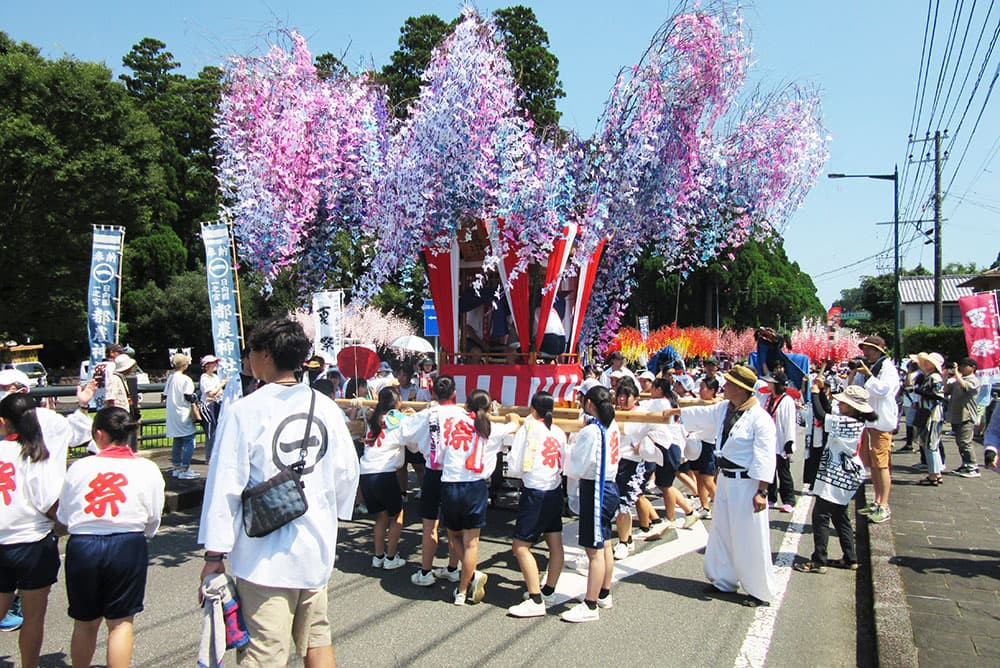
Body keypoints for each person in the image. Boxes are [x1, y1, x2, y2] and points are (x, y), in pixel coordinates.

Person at [198, 317, 359, 667]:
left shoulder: (244, 411)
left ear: (266, 355)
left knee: (263, 653)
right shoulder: (326, 407)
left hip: (264, 559)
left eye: (251, 351)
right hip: (315, 549)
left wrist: (214, 555)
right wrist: (330, 513)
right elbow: (348, 473)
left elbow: (225, 485)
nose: (248, 359)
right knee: (317, 640)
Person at [58, 407, 164, 668]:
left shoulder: (80, 467)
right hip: (127, 543)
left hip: (83, 544)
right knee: (120, 622)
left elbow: (65, 513)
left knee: (84, 621)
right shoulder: (148, 469)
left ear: (99, 434)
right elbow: (153, 517)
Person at [671, 364, 777, 607]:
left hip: (747, 483)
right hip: (727, 479)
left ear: (740, 389)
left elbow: (764, 456)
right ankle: (723, 579)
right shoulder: (724, 409)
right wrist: (673, 411)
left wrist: (762, 491)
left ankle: (758, 589)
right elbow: (699, 415)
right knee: (722, 530)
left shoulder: (760, 420)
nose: (724, 386)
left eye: (729, 383)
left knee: (749, 536)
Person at [0, 393, 65, 668]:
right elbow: (47, 501)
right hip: (34, 542)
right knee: (33, 616)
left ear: (3, 421)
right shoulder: (36, 453)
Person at [794, 386, 872, 574]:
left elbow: (821, 415)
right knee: (839, 516)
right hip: (844, 475)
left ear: (853, 406)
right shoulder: (854, 421)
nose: (840, 403)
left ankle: (819, 560)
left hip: (838, 476)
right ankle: (850, 557)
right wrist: (820, 391)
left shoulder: (848, 422)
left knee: (821, 515)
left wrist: (813, 393)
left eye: (844, 402)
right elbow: (828, 410)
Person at [561, 385, 621, 622]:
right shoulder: (611, 425)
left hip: (595, 488)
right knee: (604, 543)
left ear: (588, 404)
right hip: (609, 485)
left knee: (593, 550)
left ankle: (590, 604)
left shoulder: (591, 430)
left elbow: (575, 465)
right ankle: (603, 592)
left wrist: (565, 447)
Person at [505, 392, 566, 617]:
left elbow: (514, 463)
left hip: (535, 491)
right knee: (554, 541)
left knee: (520, 546)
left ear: (532, 409)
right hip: (554, 488)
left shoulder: (529, 429)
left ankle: (535, 598)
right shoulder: (558, 430)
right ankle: (548, 590)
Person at [400, 376, 463, 587]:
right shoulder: (464, 415)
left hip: (434, 472)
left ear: (433, 393)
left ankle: (426, 571)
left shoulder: (426, 415)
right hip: (457, 474)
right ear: (454, 393)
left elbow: (406, 436)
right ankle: (454, 569)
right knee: (455, 527)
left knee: (429, 526)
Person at [360, 386, 407, 571]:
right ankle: (390, 557)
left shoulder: (373, 418)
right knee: (397, 515)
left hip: (366, 472)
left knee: (381, 516)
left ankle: (378, 556)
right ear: (397, 402)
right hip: (384, 473)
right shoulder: (398, 418)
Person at [854, 336, 900, 525]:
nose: (867, 353)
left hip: (881, 423)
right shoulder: (873, 368)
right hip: (870, 422)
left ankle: (884, 504)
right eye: (865, 349)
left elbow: (883, 390)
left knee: (881, 464)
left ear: (880, 350)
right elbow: (857, 389)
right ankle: (876, 501)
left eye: (871, 349)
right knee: (872, 463)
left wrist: (868, 376)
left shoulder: (888, 369)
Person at [763, 371, 797, 513]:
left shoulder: (786, 400)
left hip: (781, 441)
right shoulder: (767, 398)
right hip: (768, 441)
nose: (768, 384)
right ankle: (771, 496)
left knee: (783, 472)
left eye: (771, 382)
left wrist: (789, 442)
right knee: (769, 471)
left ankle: (789, 500)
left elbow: (789, 423)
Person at [944, 357, 982, 478]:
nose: (961, 368)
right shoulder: (957, 380)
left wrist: (956, 374)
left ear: (973, 368)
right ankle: (965, 464)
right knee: (959, 442)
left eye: (964, 366)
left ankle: (973, 466)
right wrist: (945, 376)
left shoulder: (974, 380)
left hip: (967, 416)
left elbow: (965, 387)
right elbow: (946, 390)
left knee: (966, 442)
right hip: (957, 415)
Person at [913, 352, 946, 486]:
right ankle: (936, 473)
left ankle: (933, 475)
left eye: (928, 362)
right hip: (929, 412)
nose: (925, 365)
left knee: (930, 445)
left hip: (932, 414)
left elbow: (939, 395)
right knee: (932, 445)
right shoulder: (929, 377)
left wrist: (921, 392)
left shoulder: (935, 378)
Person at [165, 353, 199, 479]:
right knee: (189, 440)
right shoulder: (186, 379)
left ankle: (177, 467)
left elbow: (165, 394)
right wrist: (196, 399)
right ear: (184, 365)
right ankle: (185, 468)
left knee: (178, 440)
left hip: (172, 413)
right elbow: (189, 396)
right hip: (183, 412)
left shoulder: (171, 378)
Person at [199, 355, 225, 464]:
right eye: (213, 363)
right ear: (206, 365)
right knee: (211, 431)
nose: (215, 365)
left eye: (215, 363)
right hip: (207, 406)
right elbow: (210, 393)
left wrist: (217, 389)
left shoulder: (215, 377)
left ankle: (214, 454)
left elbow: (218, 392)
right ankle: (209, 456)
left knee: (217, 430)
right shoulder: (204, 377)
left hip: (216, 404)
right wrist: (221, 385)